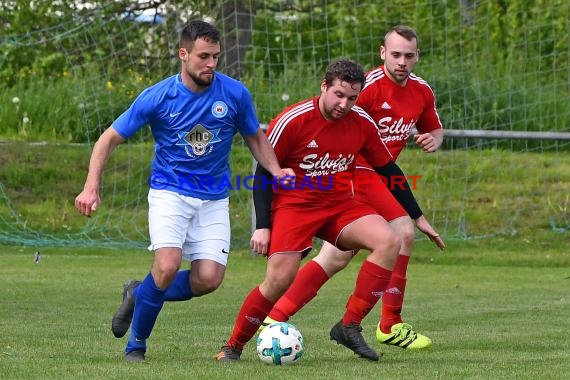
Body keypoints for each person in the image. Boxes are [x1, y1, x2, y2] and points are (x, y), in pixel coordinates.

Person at [74, 20, 293, 362]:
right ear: (183, 54)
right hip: (169, 193)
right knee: (167, 265)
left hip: (214, 198)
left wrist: (277, 170)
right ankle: (137, 346)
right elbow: (108, 139)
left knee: (209, 279)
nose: (211, 64)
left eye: (216, 57)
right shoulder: (158, 96)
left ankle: (138, 292)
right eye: (203, 56)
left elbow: (254, 137)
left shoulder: (234, 94)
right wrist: (91, 187)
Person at [216, 58, 429, 362]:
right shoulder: (293, 119)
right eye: (339, 95)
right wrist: (262, 225)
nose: (344, 104)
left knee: (390, 240)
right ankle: (233, 346)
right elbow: (263, 172)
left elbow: (388, 169)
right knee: (279, 280)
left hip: (339, 204)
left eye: (352, 98)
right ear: (324, 86)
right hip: (295, 206)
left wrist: (417, 216)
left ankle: (349, 325)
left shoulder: (361, 122)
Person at [261, 25, 445, 352]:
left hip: (378, 174)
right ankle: (389, 324)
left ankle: (275, 316)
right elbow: (341, 126)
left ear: (418, 56)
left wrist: (434, 138)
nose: (402, 61)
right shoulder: (369, 88)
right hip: (354, 170)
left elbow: (434, 128)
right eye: (396, 54)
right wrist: (415, 215)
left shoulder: (422, 91)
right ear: (382, 53)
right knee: (401, 232)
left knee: (337, 256)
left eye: (409, 55)